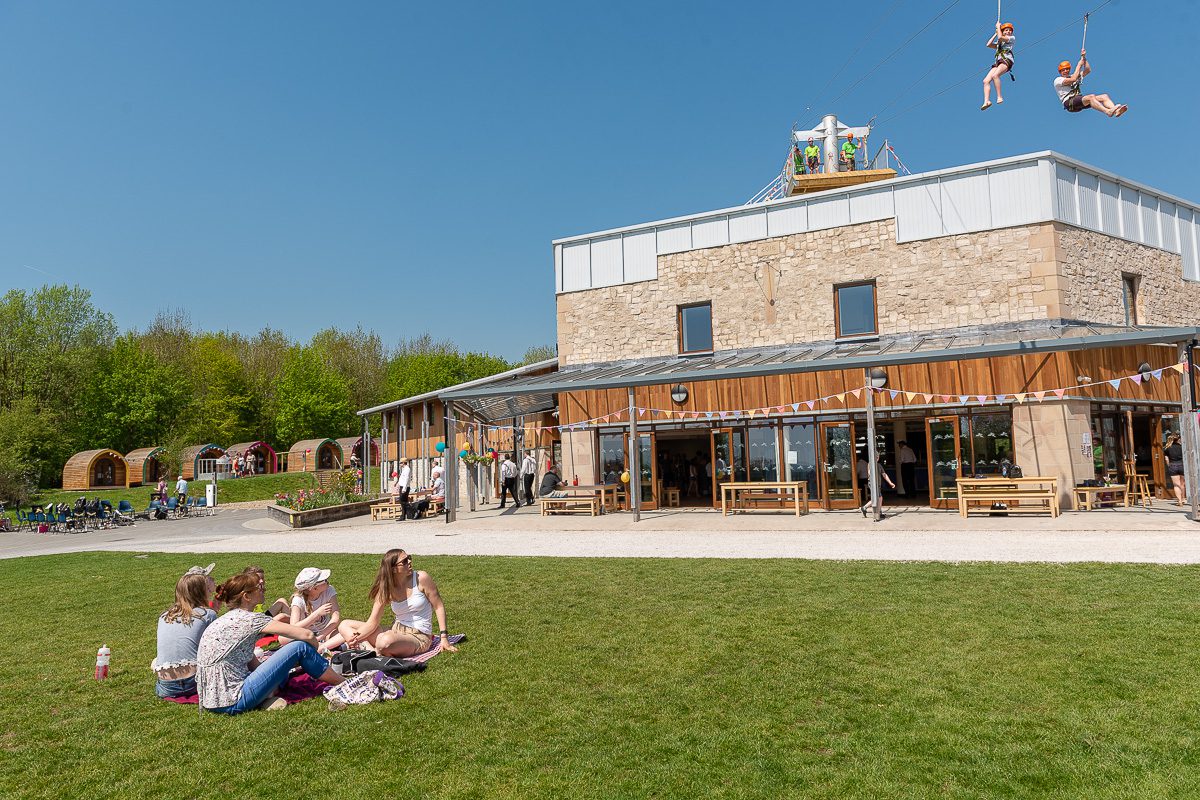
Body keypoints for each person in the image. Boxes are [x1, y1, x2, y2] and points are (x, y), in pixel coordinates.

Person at [196, 572, 344, 714]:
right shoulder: (252, 620)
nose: (264, 589)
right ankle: (343, 683)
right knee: (300, 647)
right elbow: (307, 634)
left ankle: (265, 696)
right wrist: (315, 649)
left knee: (282, 668)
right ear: (246, 596)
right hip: (234, 699)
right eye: (259, 587)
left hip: (212, 701)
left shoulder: (226, 619)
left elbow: (248, 657)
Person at [336, 549, 458, 658]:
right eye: (404, 561)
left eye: (409, 558)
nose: (409, 562)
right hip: (395, 631)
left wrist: (444, 638)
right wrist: (355, 637)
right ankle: (372, 652)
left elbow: (438, 606)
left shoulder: (421, 578)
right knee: (344, 625)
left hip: (419, 637)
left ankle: (370, 649)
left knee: (385, 642)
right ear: (393, 569)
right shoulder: (387, 588)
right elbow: (373, 622)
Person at [152, 572, 218, 698]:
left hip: (167, 686)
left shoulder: (164, 616)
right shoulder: (208, 615)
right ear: (200, 592)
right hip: (193, 682)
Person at [1054, 51, 1126, 118]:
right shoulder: (1058, 80)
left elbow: (1087, 70)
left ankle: (1116, 111)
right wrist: (1079, 65)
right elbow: (1073, 79)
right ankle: (1107, 112)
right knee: (1091, 97)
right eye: (1063, 70)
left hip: (1078, 101)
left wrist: (1084, 58)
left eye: (1067, 69)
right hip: (1069, 103)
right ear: (1060, 72)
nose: (1065, 71)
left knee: (1104, 96)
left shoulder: (1073, 75)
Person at [287, 567, 342, 652]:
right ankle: (327, 646)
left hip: (326, 632)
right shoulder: (298, 600)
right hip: (306, 635)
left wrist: (320, 636)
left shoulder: (329, 590)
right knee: (283, 638)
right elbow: (293, 628)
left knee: (344, 630)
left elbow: (336, 617)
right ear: (314, 588)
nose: (327, 581)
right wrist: (317, 614)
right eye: (324, 580)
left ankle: (320, 647)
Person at [981, 21, 1015, 111]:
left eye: (1010, 30)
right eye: (1006, 30)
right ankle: (987, 101)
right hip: (998, 62)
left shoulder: (1011, 38)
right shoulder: (1000, 43)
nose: (1008, 32)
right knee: (985, 81)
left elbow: (1000, 37)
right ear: (1003, 31)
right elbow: (988, 44)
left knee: (995, 75)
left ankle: (999, 96)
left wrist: (998, 28)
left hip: (1006, 60)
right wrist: (995, 33)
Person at [859, 453, 896, 517]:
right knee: (878, 498)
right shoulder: (870, 464)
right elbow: (870, 473)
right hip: (873, 484)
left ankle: (866, 508)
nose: (876, 459)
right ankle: (875, 511)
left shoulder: (879, 465)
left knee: (879, 497)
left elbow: (884, 474)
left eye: (877, 457)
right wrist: (890, 483)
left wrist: (890, 483)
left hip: (877, 484)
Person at [1164, 433, 1186, 506]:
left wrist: (1169, 466)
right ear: (1177, 439)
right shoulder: (1181, 447)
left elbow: (1166, 459)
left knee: (1176, 485)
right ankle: (1183, 499)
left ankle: (1179, 501)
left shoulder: (1167, 448)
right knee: (1182, 484)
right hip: (1181, 465)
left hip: (1173, 465)